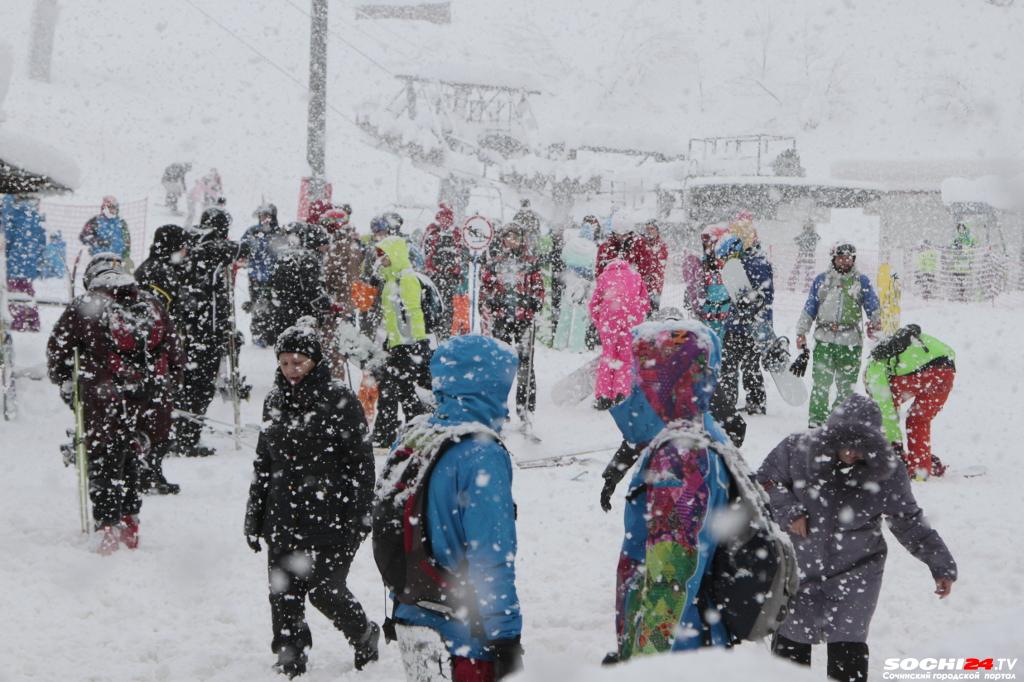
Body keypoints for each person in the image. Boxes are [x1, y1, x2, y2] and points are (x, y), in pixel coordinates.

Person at [757, 394, 957, 682]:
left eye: (861, 446)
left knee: (848, 647)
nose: (852, 453)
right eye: (846, 444)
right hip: (800, 568)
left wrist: (940, 564)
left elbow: (908, 522)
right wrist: (789, 510)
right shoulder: (796, 449)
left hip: (858, 571)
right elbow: (765, 481)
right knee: (790, 645)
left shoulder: (887, 472)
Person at [377, 334, 524, 682]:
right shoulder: (481, 453)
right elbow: (490, 555)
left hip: (412, 613)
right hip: (464, 634)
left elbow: (396, 523)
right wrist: (506, 637)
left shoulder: (415, 432)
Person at [244, 320, 379, 677]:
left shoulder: (341, 399)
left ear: (316, 361)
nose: (292, 370)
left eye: (299, 362)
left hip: (330, 516)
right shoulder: (273, 400)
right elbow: (263, 463)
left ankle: (364, 633)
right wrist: (254, 515)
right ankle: (290, 653)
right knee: (284, 593)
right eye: (285, 362)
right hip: (283, 515)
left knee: (325, 590)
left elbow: (361, 464)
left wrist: (362, 513)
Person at [601, 320, 733, 660]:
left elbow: (670, 585)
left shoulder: (680, 457)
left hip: (674, 650)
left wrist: (646, 664)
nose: (636, 388)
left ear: (670, 382)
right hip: (691, 639)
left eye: (643, 376)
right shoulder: (699, 433)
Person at [48, 255, 183, 550]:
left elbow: (57, 349)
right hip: (147, 395)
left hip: (103, 396)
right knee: (132, 454)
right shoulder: (151, 302)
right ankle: (130, 520)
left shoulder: (86, 305)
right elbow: (175, 350)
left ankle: (107, 525)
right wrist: (167, 386)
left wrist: (66, 383)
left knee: (103, 458)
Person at [169, 207, 240, 457]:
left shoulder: (190, 243)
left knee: (185, 382)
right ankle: (188, 437)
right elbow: (237, 249)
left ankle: (179, 431)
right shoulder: (211, 247)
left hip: (185, 326)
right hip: (205, 329)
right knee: (199, 385)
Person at [796, 242, 881, 428]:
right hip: (824, 340)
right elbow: (810, 307)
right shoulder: (822, 280)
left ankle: (837, 421)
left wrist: (876, 323)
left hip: (850, 341)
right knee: (821, 384)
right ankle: (816, 422)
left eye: (849, 257)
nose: (845, 261)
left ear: (854, 259)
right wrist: (801, 332)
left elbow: (873, 305)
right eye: (841, 257)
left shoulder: (861, 282)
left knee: (846, 388)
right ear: (833, 258)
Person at [709, 224, 774, 447]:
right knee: (728, 365)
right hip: (734, 325)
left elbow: (767, 293)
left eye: (727, 256)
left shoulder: (758, 263)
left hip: (753, 327)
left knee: (750, 365)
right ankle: (728, 402)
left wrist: (754, 299)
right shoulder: (732, 269)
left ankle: (756, 401)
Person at [863, 324, 956, 480]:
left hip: (924, 371)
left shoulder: (875, 370)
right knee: (918, 419)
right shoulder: (893, 352)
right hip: (947, 368)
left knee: (890, 405)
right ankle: (920, 468)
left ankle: (914, 467)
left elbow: (887, 412)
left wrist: (895, 445)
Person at [370, 235, 431, 448]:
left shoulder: (406, 279)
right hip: (397, 344)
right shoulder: (390, 280)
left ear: (394, 254)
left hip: (408, 345)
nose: (381, 260)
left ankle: (412, 431)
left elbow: (412, 312)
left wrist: (412, 345)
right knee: (392, 389)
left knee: (402, 390)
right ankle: (391, 432)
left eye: (384, 255)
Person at [480, 223, 545, 422]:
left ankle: (525, 407)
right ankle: (500, 408)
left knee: (526, 364)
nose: (512, 241)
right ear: (503, 239)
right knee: (501, 365)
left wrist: (534, 301)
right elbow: (486, 287)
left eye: (516, 237)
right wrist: (491, 301)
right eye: (509, 237)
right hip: (502, 319)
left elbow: (538, 287)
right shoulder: (495, 263)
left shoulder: (529, 262)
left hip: (523, 319)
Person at [589, 257, 650, 410]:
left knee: (608, 356)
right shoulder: (636, 276)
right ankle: (621, 394)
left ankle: (604, 396)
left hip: (609, 320)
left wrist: (600, 320)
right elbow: (645, 302)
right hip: (630, 321)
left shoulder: (604, 277)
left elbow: (594, 304)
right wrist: (636, 318)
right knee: (626, 357)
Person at [266, 221, 331, 344]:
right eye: (324, 244)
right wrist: (326, 304)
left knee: (287, 353)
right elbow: (312, 288)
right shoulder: (308, 259)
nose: (326, 248)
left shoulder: (285, 256)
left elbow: (272, 283)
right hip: (301, 314)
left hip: (284, 312)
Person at [552, 216, 600, 352]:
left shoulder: (571, 245)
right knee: (581, 315)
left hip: (570, 279)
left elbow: (563, 258)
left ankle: (560, 342)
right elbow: (595, 264)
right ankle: (577, 345)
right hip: (585, 283)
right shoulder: (593, 247)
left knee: (565, 313)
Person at [421, 203, 465, 340]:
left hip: (449, 278)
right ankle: (436, 333)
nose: (445, 221)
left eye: (447, 218)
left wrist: (455, 271)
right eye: (443, 218)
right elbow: (425, 252)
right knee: (434, 305)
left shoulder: (456, 234)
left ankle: (443, 334)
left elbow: (460, 254)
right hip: (436, 277)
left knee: (447, 308)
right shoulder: (433, 232)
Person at [240, 203, 281, 346]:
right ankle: (259, 334)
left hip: (275, 276)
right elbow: (242, 249)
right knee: (257, 306)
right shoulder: (252, 232)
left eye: (267, 216)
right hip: (255, 276)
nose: (264, 219)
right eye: (262, 216)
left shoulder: (279, 233)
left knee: (274, 306)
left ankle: (273, 334)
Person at [2, 194, 46, 331]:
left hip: (13, 265)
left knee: (14, 295)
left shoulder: (10, 215)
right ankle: (32, 322)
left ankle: (17, 323)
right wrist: (37, 263)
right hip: (29, 265)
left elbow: (6, 240)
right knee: (27, 293)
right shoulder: (35, 216)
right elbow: (41, 243)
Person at [80, 195, 131, 264]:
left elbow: (127, 242)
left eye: (114, 207)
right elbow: (84, 236)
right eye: (109, 207)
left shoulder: (121, 223)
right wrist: (97, 241)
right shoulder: (95, 221)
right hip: (99, 259)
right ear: (104, 208)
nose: (112, 210)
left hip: (118, 260)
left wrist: (125, 257)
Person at [638, 219, 668, 311]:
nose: (649, 231)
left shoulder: (661, 245)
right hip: (641, 285)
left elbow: (658, 264)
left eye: (652, 229)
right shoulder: (640, 244)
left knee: (653, 311)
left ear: (657, 231)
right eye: (647, 229)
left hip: (655, 286)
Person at [788, 219, 820, 292]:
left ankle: (802, 287)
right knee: (802, 271)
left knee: (803, 271)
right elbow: (796, 240)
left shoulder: (808, 236)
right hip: (806, 255)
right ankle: (795, 286)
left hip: (805, 255)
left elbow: (796, 241)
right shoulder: (810, 235)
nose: (807, 229)